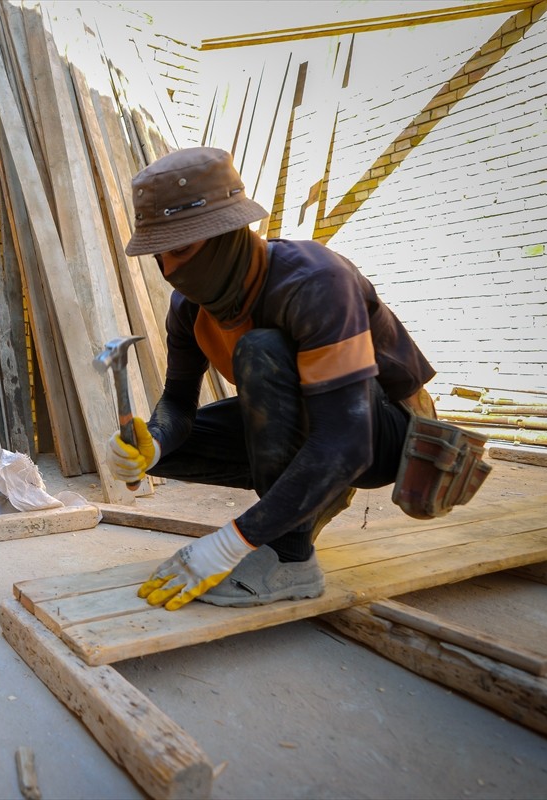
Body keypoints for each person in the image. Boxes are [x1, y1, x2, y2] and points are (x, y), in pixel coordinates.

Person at [109, 147, 437, 610]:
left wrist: (232, 542)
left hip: (384, 434)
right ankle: (299, 505)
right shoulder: (189, 308)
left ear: (226, 232)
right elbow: (178, 402)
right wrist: (156, 442)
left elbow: (348, 442)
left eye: (181, 249)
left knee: (261, 350)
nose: (170, 272)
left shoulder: (315, 280)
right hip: (314, 426)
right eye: (159, 256)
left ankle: (291, 558)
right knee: (165, 450)